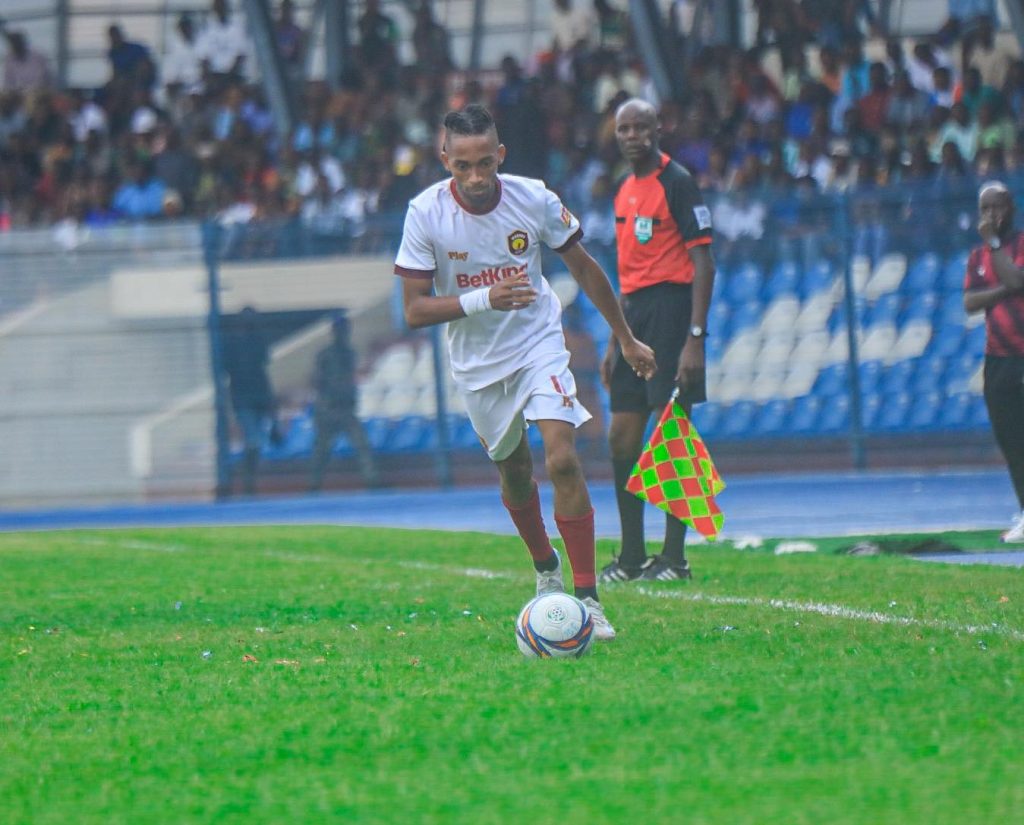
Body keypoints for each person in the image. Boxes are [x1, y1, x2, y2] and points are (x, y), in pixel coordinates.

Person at [394, 103, 656, 639]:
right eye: (462, 165)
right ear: (445, 160)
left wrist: (626, 338)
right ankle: (545, 567)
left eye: (485, 163)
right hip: (477, 365)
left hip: (538, 345)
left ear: (501, 155)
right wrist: (485, 298)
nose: (475, 177)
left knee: (562, 459)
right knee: (514, 473)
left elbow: (583, 266)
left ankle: (588, 599)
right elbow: (414, 310)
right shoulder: (424, 214)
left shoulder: (533, 198)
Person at [598, 98, 716, 583]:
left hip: (671, 311)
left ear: (658, 129)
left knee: (671, 436)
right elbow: (627, 275)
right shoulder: (624, 189)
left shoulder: (678, 182)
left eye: (640, 127)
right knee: (622, 435)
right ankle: (631, 559)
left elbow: (704, 262)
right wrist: (616, 340)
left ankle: (674, 559)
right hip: (634, 317)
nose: (632, 136)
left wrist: (695, 338)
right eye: (624, 129)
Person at [964, 181, 1024, 542]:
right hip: (998, 359)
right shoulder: (977, 256)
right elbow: (970, 302)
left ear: (1011, 209)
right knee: (1011, 440)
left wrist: (997, 246)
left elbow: (1017, 275)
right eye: (985, 209)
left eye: (997, 207)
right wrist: (1005, 291)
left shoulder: (1018, 244)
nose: (991, 215)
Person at [309, 313, 382, 491]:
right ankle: (314, 484)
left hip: (347, 409)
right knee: (322, 451)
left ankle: (372, 480)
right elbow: (317, 380)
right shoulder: (326, 355)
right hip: (329, 409)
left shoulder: (350, 353)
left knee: (362, 445)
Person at [222, 306, 279, 496]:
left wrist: (270, 403)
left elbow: (263, 370)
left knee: (256, 443)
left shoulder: (258, 341)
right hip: (243, 398)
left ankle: (250, 480)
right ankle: (247, 482)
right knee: (253, 440)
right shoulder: (231, 344)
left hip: (259, 397)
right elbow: (227, 370)